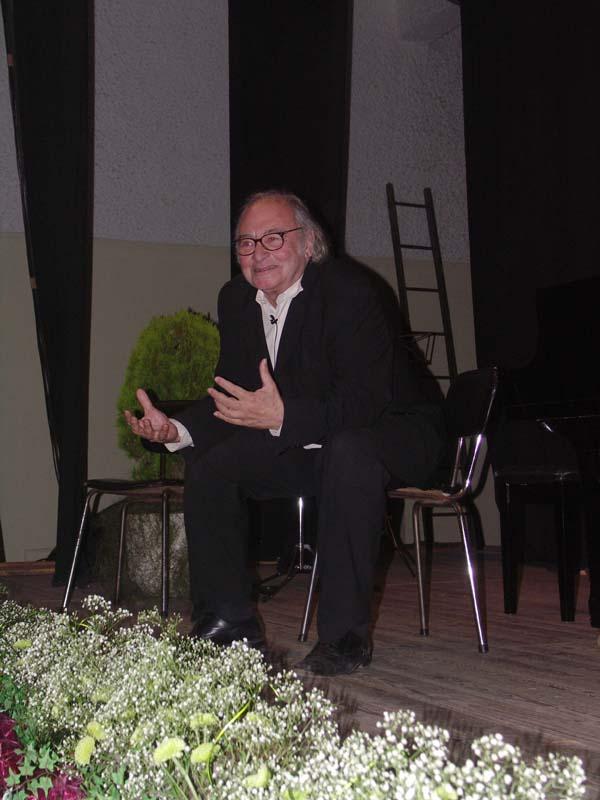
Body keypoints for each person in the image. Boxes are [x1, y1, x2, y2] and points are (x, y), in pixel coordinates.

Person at [125, 190, 444, 675]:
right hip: (310, 435)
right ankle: (227, 624)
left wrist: (282, 417)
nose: (259, 253)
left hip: (394, 430)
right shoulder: (237, 299)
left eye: (274, 237)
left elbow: (365, 401)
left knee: (349, 452)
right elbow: (234, 393)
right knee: (212, 468)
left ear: (309, 242)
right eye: (246, 242)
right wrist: (176, 428)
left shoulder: (351, 292)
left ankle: (345, 638)